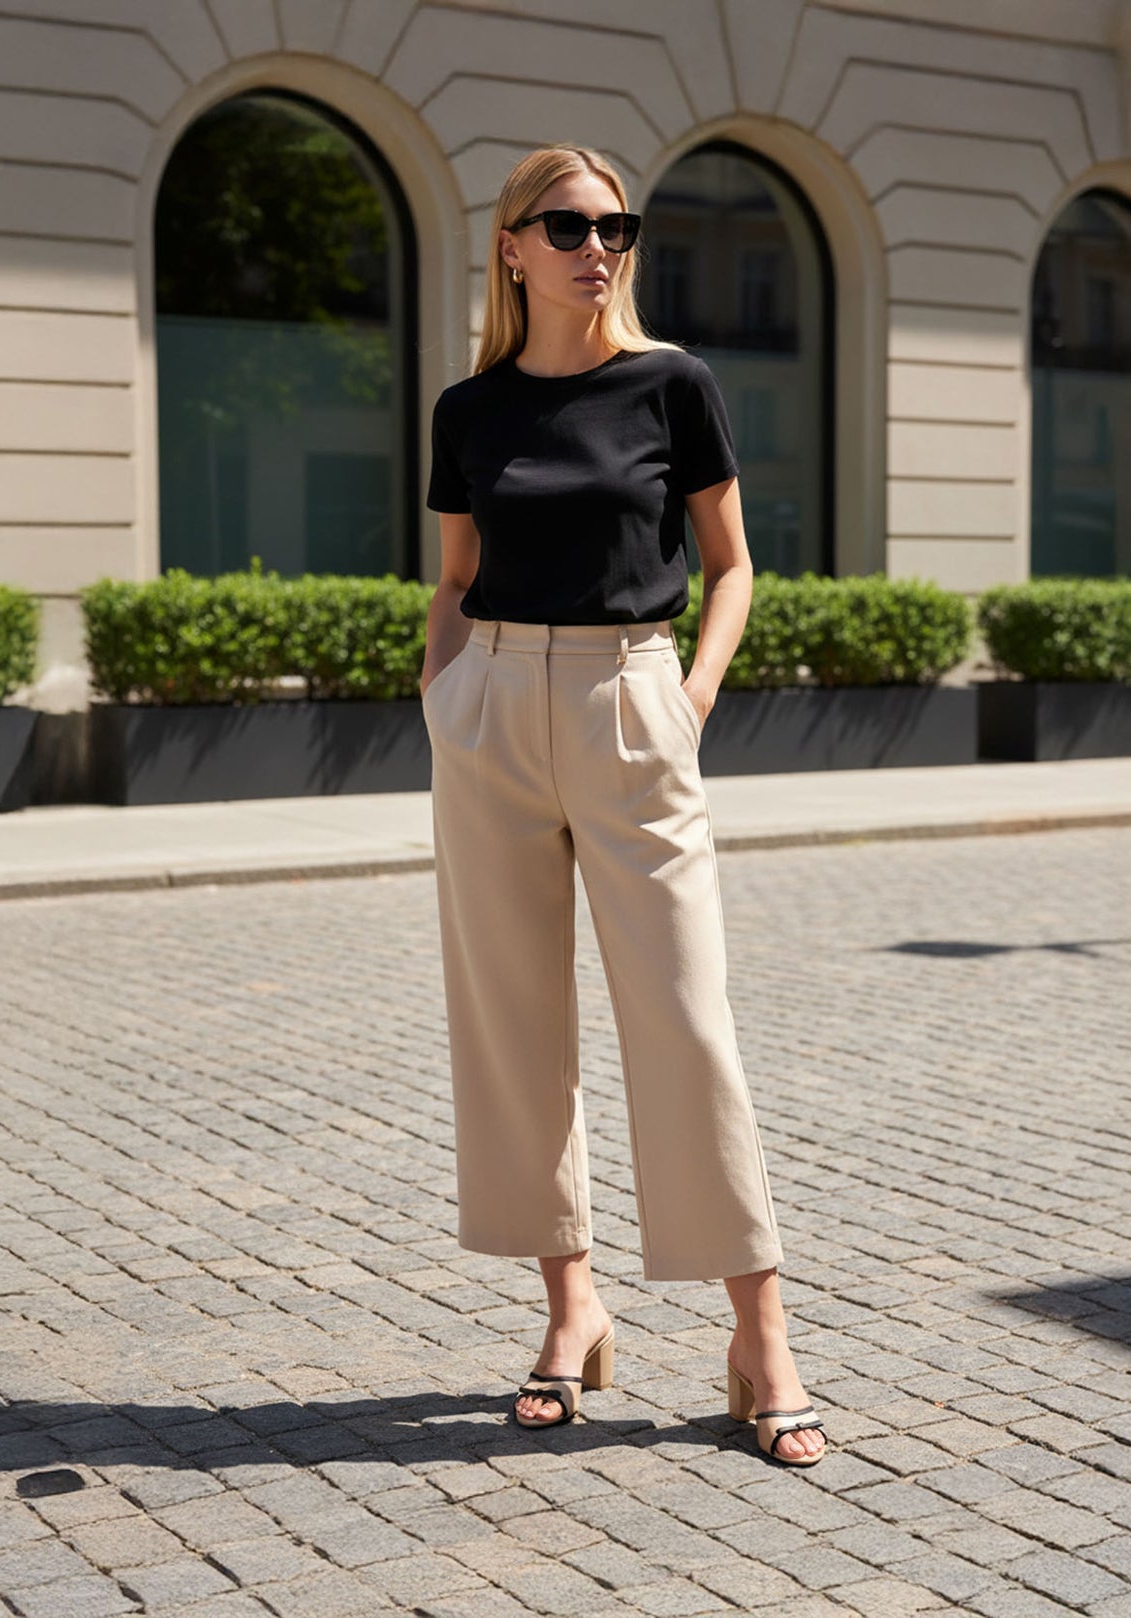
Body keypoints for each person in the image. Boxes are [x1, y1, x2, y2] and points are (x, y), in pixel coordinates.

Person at [419, 143, 828, 1467]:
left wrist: (691, 701)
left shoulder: (672, 385)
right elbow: (453, 574)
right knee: (512, 1027)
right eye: (568, 224)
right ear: (513, 246)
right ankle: (568, 1309)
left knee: (685, 1017)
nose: (598, 244)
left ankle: (758, 1337)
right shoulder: (468, 409)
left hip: (629, 702)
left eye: (615, 225)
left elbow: (731, 566)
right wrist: (445, 687)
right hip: (492, 715)